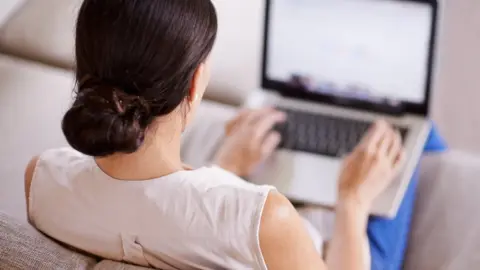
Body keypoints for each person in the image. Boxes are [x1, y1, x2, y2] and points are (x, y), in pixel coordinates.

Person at [23, 1, 410, 269]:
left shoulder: (42, 179)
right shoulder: (264, 218)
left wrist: (227, 168)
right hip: (333, 249)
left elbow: (160, 222)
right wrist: (352, 201)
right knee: (420, 141)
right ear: (194, 85)